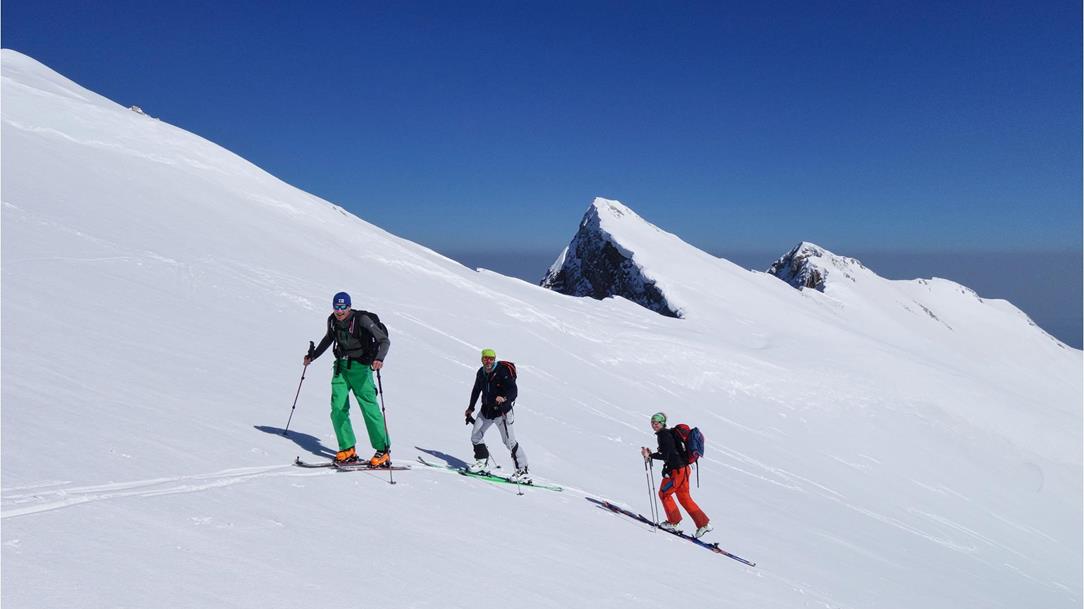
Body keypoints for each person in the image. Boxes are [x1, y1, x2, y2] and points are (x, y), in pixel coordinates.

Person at [304, 292, 392, 467]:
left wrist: (379, 358)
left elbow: (384, 341)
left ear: (349, 306)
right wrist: (313, 356)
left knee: (369, 409)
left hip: (361, 368)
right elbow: (328, 338)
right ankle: (347, 448)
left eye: (343, 307)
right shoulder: (332, 321)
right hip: (341, 367)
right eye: (336, 307)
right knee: (337, 407)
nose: (339, 311)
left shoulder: (362, 320)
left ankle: (383, 450)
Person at [641, 412, 713, 538]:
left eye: (656, 422)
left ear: (662, 423)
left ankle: (673, 522)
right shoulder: (668, 434)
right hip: (684, 469)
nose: (654, 425)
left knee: (664, 493)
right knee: (684, 497)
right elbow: (669, 452)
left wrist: (650, 456)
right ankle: (703, 524)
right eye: (652, 422)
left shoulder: (664, 435)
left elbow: (666, 455)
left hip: (677, 471)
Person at [463, 348, 530, 483]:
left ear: (494, 359)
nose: (488, 361)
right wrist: (471, 408)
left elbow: (513, 390)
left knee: (509, 442)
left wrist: (504, 398)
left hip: (502, 413)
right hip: (486, 411)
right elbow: (476, 390)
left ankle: (523, 470)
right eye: (485, 358)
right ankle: (482, 462)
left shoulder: (502, 372)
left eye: (491, 359)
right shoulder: (481, 373)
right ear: (482, 359)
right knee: (476, 436)